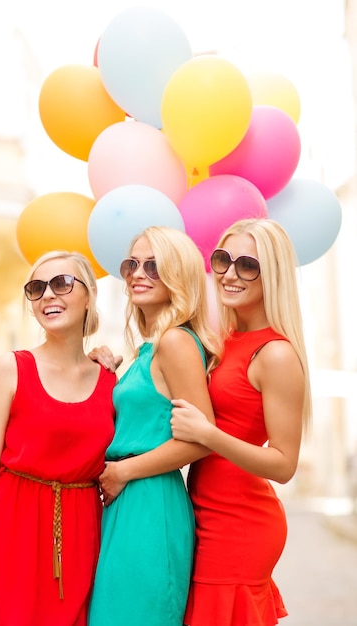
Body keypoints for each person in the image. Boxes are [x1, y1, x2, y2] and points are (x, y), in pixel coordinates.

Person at [0, 251, 116, 626]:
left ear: (89, 295)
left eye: (61, 284)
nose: (48, 296)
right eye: (37, 288)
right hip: (11, 530)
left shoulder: (110, 382)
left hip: (82, 533)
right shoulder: (10, 368)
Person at [170, 218, 312, 626]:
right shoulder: (224, 341)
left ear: (273, 273)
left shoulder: (276, 354)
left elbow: (284, 464)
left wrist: (209, 435)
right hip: (203, 513)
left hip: (239, 524)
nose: (230, 274)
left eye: (247, 265)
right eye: (222, 260)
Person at [88, 226, 220, 626]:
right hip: (128, 499)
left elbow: (202, 438)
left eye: (154, 265)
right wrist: (109, 378)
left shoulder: (176, 342)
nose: (138, 273)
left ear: (179, 274)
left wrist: (123, 471)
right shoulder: (150, 347)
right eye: (132, 264)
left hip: (149, 500)